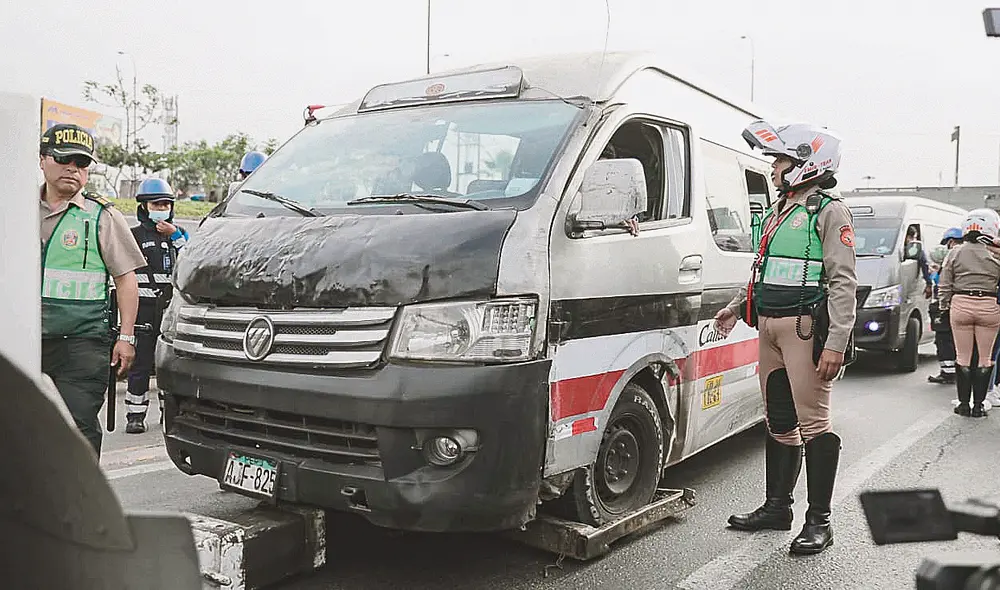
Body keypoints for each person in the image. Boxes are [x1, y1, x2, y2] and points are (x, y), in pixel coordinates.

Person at [714, 121, 857, 556]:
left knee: (814, 423)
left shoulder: (829, 211)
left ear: (806, 164)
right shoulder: (780, 209)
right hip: (769, 327)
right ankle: (778, 508)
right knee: (778, 419)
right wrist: (736, 306)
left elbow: (843, 281)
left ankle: (820, 522)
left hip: (804, 329)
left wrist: (835, 342)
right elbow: (762, 268)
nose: (773, 168)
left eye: (780, 160)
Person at [39, 124, 147, 455]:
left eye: (82, 163)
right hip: (22, 338)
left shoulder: (102, 215)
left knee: (79, 430)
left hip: (82, 345)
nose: (73, 168)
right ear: (43, 160)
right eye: (63, 159)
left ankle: (78, 503)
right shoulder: (12, 209)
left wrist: (126, 338)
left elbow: (126, 279)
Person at [125, 178, 190, 433]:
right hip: (143, 309)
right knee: (140, 363)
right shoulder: (134, 236)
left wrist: (175, 236)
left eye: (166, 204)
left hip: (169, 310)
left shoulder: (178, 234)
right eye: (156, 203)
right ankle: (135, 414)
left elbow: (189, 263)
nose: (161, 208)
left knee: (169, 364)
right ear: (144, 207)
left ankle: (168, 412)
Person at [938, 208, 1000, 418]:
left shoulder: (955, 252)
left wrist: (944, 306)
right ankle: (979, 405)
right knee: (985, 358)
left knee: (962, 356)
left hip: (961, 303)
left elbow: (945, 283)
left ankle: (964, 404)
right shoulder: (995, 252)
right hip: (990, 305)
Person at [928, 227, 964, 384]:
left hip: (948, 305)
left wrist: (942, 307)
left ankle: (948, 373)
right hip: (963, 304)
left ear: (950, 241)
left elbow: (943, 283)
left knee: (944, 339)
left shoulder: (952, 256)